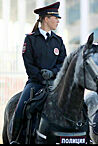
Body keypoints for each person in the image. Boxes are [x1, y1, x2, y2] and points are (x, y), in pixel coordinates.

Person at [10, 1, 67, 143]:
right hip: (35, 84)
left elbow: (63, 63)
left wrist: (52, 73)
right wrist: (41, 77)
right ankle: (16, 139)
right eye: (55, 18)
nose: (58, 21)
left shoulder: (58, 41)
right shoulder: (30, 39)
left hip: (55, 84)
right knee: (20, 109)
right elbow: (28, 63)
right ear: (46, 19)